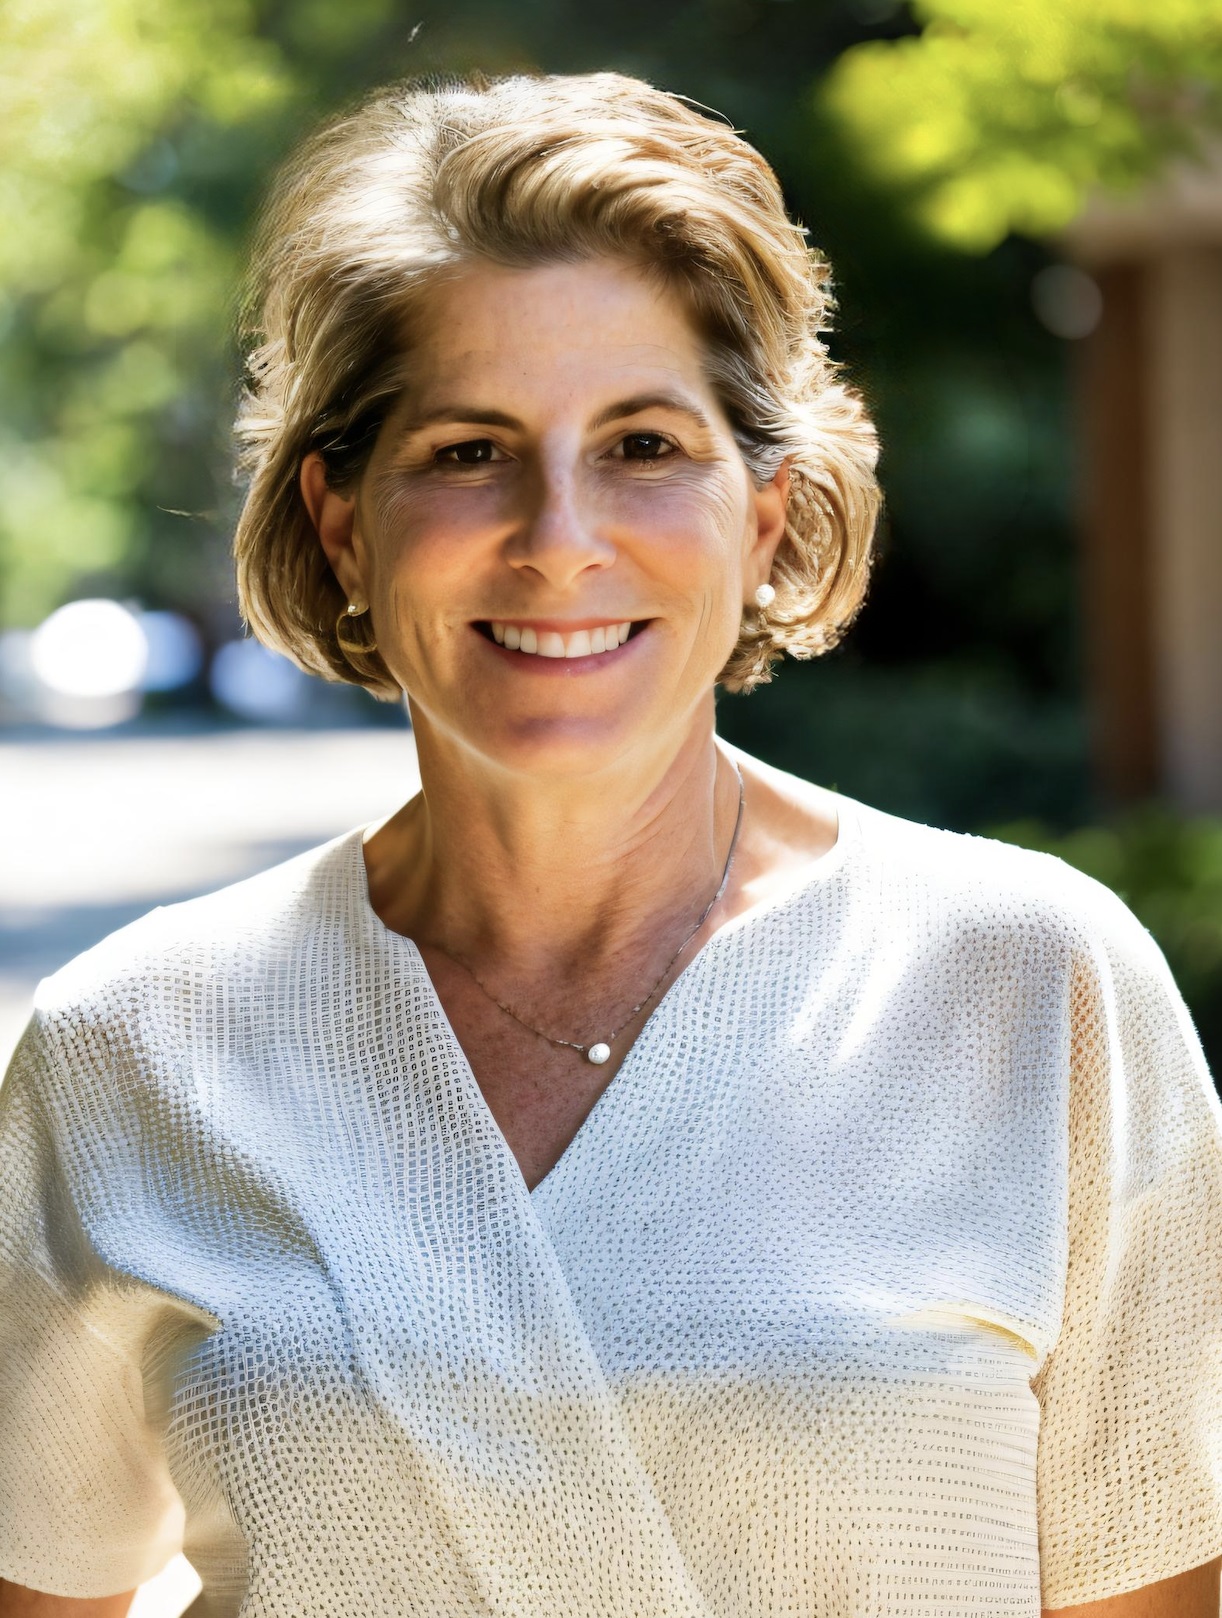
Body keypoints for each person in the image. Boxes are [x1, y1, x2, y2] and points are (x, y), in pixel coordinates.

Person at [1, 71, 1221, 1618]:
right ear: (339, 521)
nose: (558, 535)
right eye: (464, 449)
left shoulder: (1027, 984)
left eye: (643, 442)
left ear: (767, 513)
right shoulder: (135, 1048)